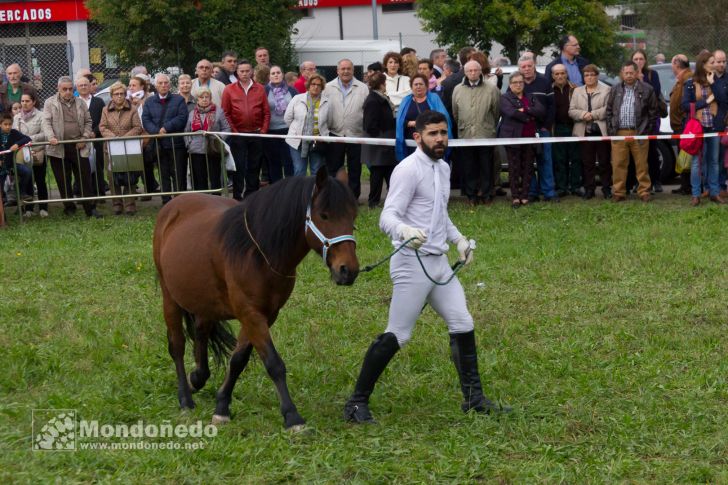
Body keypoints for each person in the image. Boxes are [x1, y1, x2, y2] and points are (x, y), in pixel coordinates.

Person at [343, 110, 509, 424]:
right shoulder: (407, 170)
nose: (440, 139)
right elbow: (386, 217)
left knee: (463, 322)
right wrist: (404, 231)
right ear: (417, 137)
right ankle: (355, 403)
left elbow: (439, 214)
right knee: (399, 335)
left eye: (443, 133)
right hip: (410, 264)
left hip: (439, 264)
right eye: (432, 134)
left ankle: (473, 399)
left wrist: (459, 240)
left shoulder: (444, 168)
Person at [42, 76, 102, 218]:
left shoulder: (80, 102)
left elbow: (88, 122)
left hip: (79, 146)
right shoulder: (49, 103)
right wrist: (51, 137)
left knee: (85, 177)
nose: (68, 92)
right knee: (62, 179)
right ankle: (69, 206)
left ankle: (90, 208)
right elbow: (46, 122)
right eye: (64, 89)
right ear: (58, 89)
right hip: (58, 146)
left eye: (70, 89)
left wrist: (85, 137)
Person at [605, 61, 658, 203]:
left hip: (639, 132)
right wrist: (612, 131)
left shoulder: (647, 89)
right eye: (626, 73)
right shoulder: (615, 89)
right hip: (619, 132)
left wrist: (646, 131)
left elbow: (653, 112)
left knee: (641, 164)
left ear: (636, 73)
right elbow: (609, 111)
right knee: (618, 164)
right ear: (622, 74)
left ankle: (644, 191)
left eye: (631, 73)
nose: (628, 76)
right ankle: (619, 192)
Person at [452, 60, 501, 205]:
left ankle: (486, 193)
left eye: (475, 70)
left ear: (481, 71)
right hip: (466, 134)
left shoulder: (492, 89)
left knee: (486, 165)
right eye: (469, 71)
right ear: (465, 72)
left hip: (485, 134)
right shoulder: (458, 89)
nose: (473, 73)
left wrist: (488, 125)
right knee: (469, 166)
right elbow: (456, 113)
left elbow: (496, 111)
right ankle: (471, 194)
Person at [221, 59, 270, 200]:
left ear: (252, 72)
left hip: (257, 134)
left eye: (247, 71)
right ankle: (237, 196)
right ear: (237, 72)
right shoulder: (229, 89)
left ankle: (252, 195)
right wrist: (235, 131)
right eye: (241, 71)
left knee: (254, 166)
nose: (244, 73)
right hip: (238, 134)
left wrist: (263, 131)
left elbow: (266, 112)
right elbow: (225, 113)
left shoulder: (260, 88)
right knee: (239, 166)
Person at [681, 51, 724, 205]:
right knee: (696, 163)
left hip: (714, 125)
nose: (715, 65)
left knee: (713, 161)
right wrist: (706, 101)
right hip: (698, 127)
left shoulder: (716, 81)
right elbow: (685, 105)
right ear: (703, 64)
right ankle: (696, 194)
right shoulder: (690, 83)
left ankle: (714, 192)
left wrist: (713, 83)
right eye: (712, 62)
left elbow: (723, 99)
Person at [141, 73, 190, 205]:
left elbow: (182, 117)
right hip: (159, 144)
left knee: (179, 173)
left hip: (176, 143)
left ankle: (180, 201)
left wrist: (166, 128)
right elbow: (145, 119)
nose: (163, 85)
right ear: (156, 85)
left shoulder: (178, 100)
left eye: (166, 83)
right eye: (160, 83)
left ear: (169, 85)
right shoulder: (149, 101)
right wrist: (156, 131)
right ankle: (166, 201)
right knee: (163, 173)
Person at [323, 58, 368, 200]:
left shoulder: (362, 88)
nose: (346, 71)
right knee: (334, 168)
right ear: (337, 71)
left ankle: (353, 198)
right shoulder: (328, 87)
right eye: (342, 69)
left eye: (348, 68)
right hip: (335, 133)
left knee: (355, 168)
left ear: (353, 70)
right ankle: (334, 197)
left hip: (356, 134)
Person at [499, 73, 546, 207]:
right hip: (512, 137)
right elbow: (511, 112)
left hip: (530, 137)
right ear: (510, 84)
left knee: (528, 167)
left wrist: (525, 109)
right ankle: (515, 196)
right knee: (514, 168)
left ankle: (525, 196)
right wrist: (529, 116)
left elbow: (541, 111)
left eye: (520, 82)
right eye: (515, 82)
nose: (518, 85)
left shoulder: (530, 97)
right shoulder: (505, 98)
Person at [99, 81, 143, 215]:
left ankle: (130, 204)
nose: (119, 96)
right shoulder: (105, 110)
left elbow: (137, 127)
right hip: (111, 148)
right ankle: (117, 204)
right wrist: (113, 137)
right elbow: (102, 127)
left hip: (129, 147)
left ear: (125, 95)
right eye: (116, 94)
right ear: (112, 96)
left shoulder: (132, 109)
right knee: (112, 177)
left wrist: (125, 137)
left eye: (122, 94)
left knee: (129, 175)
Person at [520, 53, 559, 202]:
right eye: (524, 67)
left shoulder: (544, 82)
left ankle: (548, 192)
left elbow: (551, 106)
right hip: (525, 130)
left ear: (534, 66)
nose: (527, 69)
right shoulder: (517, 83)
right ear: (520, 69)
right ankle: (531, 192)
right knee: (528, 162)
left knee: (545, 160)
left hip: (542, 130)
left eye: (529, 66)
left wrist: (546, 126)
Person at [569, 64, 612, 199]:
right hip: (584, 132)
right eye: (586, 75)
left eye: (592, 75)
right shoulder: (577, 91)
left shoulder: (607, 90)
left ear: (597, 76)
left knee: (604, 162)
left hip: (601, 131)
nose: (589, 77)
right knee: (587, 163)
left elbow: (608, 109)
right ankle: (589, 189)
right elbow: (571, 110)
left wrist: (593, 114)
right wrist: (583, 115)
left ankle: (606, 188)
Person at [395, 74, 452, 162]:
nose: (418, 86)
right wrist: (409, 123)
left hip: (431, 142)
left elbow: (443, 118)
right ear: (411, 87)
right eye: (415, 84)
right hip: (410, 143)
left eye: (421, 84)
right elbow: (400, 121)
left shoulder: (434, 98)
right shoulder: (406, 100)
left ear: (426, 86)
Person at [184, 86, 231, 193]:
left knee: (214, 176)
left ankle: (215, 199)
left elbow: (227, 128)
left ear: (210, 98)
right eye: (202, 97)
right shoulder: (192, 113)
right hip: (196, 150)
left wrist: (219, 139)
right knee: (199, 177)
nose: (204, 99)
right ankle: (201, 201)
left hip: (213, 149)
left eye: (207, 97)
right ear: (197, 99)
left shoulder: (218, 112)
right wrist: (188, 143)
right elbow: (186, 130)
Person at [361, 72, 396, 208]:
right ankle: (373, 201)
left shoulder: (378, 98)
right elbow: (370, 125)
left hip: (383, 140)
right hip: (379, 142)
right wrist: (381, 138)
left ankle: (389, 199)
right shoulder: (373, 100)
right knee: (377, 173)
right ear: (382, 84)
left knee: (387, 171)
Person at [284, 73, 329, 177]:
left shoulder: (327, 102)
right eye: (313, 84)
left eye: (319, 85)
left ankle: (314, 193)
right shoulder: (297, 98)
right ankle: (299, 193)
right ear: (308, 85)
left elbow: (329, 122)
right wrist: (297, 131)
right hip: (297, 141)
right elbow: (287, 118)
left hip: (317, 142)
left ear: (322, 87)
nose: (316, 87)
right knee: (299, 170)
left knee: (316, 171)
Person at [632, 49, 663, 193]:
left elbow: (655, 93)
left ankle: (656, 180)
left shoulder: (652, 74)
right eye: (636, 59)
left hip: (651, 117)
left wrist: (642, 81)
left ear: (645, 60)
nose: (638, 62)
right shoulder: (628, 75)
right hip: (635, 119)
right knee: (635, 152)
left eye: (641, 59)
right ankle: (636, 182)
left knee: (652, 150)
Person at [13, 92, 48, 216]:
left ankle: (44, 208)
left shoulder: (41, 115)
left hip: (37, 151)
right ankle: (29, 208)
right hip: (22, 153)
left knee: (40, 180)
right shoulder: (17, 117)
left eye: (27, 101)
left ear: (33, 102)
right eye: (22, 101)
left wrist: (29, 139)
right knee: (26, 179)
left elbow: (45, 133)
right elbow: (14, 134)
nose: (24, 103)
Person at [550, 64, 582, 197]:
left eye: (562, 73)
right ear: (552, 76)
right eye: (556, 74)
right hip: (557, 127)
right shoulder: (549, 90)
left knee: (576, 158)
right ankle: (561, 187)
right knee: (559, 159)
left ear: (566, 74)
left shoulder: (575, 89)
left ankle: (575, 186)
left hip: (573, 126)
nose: (560, 76)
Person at [76, 75, 108, 198]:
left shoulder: (98, 102)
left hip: (96, 139)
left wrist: (95, 132)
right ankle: (82, 193)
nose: (83, 87)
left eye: (86, 85)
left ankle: (100, 192)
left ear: (90, 86)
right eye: (81, 85)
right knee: (81, 167)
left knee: (98, 166)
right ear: (77, 88)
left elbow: (103, 120)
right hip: (80, 140)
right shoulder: (74, 102)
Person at [264, 65, 298, 180]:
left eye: (278, 72)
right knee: (274, 163)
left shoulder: (292, 91)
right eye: (273, 73)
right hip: (271, 131)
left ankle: (289, 190)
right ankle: (276, 190)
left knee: (289, 162)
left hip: (288, 131)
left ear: (282, 75)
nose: (276, 75)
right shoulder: (264, 90)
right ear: (269, 76)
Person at [669, 54, 693, 196]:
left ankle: (688, 186)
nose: (672, 67)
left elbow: (685, 104)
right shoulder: (681, 79)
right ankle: (684, 185)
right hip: (679, 127)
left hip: (685, 126)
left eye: (672, 64)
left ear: (677, 65)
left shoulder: (687, 79)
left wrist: (683, 121)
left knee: (687, 157)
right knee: (683, 157)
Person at [0, 112, 33, 214]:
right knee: (1, 187)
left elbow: (27, 138)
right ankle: (3, 211)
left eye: (10, 124)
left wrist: (17, 144)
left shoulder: (14, 133)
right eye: (5, 124)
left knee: (27, 171)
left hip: (10, 165)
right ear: (0, 124)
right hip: (1, 168)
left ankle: (21, 191)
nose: (8, 127)